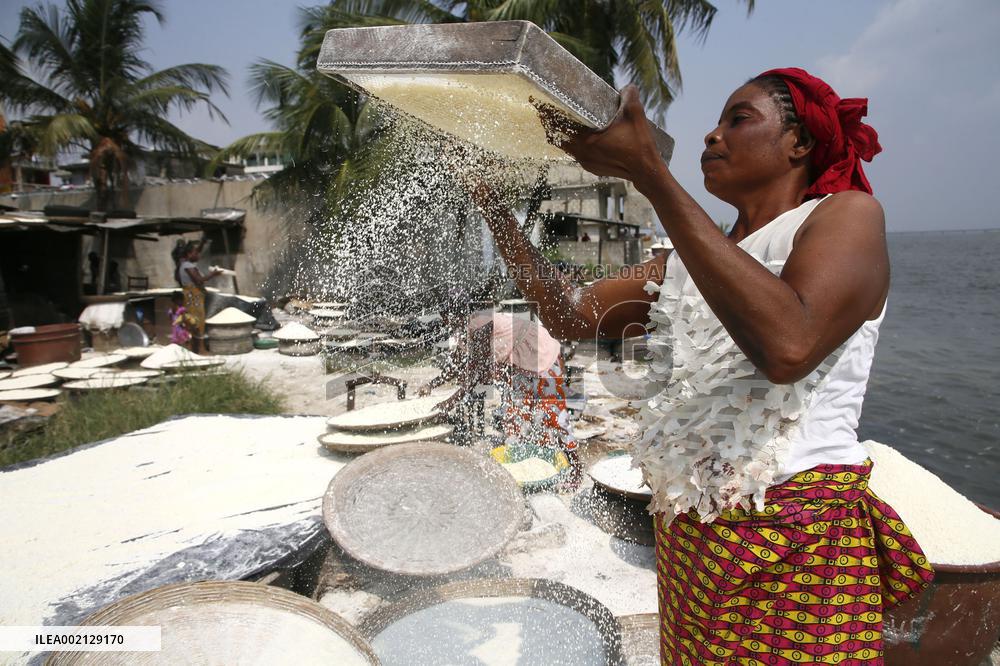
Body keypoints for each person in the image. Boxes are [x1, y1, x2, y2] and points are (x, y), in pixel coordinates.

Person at [474, 68, 932, 664]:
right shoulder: (688, 261)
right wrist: (495, 210)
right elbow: (568, 316)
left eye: (738, 119)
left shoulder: (844, 217)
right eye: (714, 124)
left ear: (800, 143)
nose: (712, 137)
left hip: (797, 535)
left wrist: (650, 175)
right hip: (691, 534)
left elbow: (788, 346)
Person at [419, 310, 582, 488]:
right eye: (444, 316)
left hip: (538, 353)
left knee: (553, 418)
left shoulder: (480, 324)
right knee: (516, 418)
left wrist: (449, 402)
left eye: (449, 315)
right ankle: (528, 467)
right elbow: (457, 366)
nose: (446, 320)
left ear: (459, 313)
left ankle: (575, 470)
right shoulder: (463, 331)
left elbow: (478, 375)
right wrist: (431, 385)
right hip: (519, 364)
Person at [176, 241, 222, 353]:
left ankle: (194, 349)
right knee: (196, 322)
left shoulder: (186, 265)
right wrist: (213, 274)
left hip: (193, 296)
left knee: (195, 322)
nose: (198, 255)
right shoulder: (187, 266)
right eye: (195, 253)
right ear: (189, 254)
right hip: (193, 297)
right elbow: (198, 280)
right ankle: (199, 349)